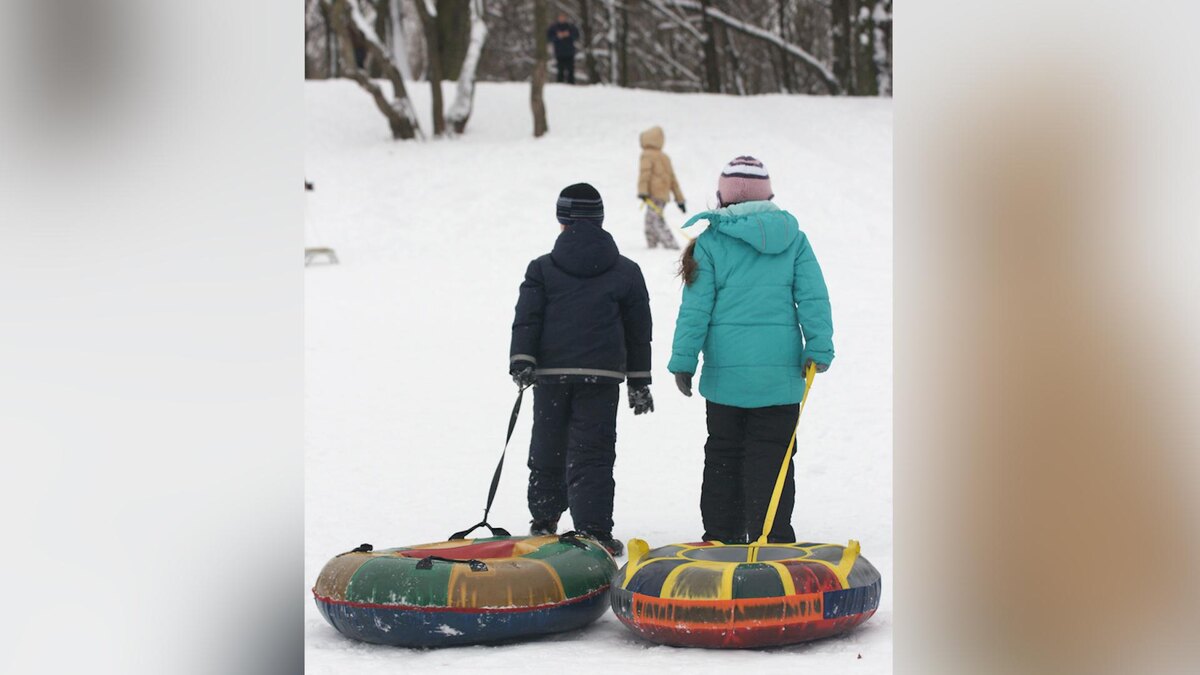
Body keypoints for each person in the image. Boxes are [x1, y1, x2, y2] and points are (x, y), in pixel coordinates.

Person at [667, 157, 834, 544]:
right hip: (779, 376)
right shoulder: (793, 238)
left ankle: (722, 535)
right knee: (773, 456)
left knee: (723, 454)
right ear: (769, 196)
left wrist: (684, 360)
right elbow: (813, 297)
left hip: (726, 376)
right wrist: (819, 347)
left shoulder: (709, 243)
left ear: (722, 198)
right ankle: (771, 536)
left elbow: (695, 310)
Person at [510, 182, 654, 557]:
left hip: (551, 376)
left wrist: (522, 361)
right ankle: (593, 530)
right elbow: (639, 332)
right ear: (600, 220)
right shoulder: (626, 271)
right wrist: (639, 381)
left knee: (548, 444)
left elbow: (528, 319)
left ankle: (544, 521)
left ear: (562, 222)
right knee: (593, 451)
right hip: (601, 377)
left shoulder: (541, 268)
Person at [637, 126, 686, 250]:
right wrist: (680, 200)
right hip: (663, 196)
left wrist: (643, 191)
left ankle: (671, 245)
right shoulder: (664, 157)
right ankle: (652, 246)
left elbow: (645, 173)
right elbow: (673, 180)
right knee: (651, 220)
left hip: (653, 194)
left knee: (655, 221)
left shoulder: (647, 155)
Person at [546, 13, 579, 84]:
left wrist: (569, 34)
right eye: (560, 17)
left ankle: (571, 85)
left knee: (571, 70)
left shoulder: (570, 27)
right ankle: (560, 86)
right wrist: (557, 36)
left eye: (563, 17)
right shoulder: (554, 27)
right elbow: (549, 38)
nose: (562, 19)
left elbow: (576, 36)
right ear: (558, 18)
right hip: (559, 52)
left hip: (570, 52)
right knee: (560, 70)